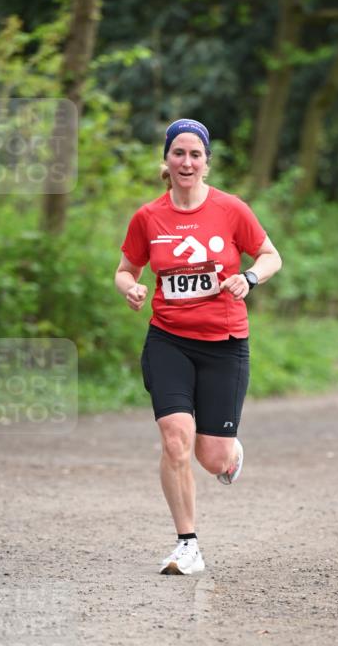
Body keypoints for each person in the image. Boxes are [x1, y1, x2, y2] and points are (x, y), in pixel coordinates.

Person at [115, 119, 282, 576]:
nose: (186, 162)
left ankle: (230, 452)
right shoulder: (148, 217)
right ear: (166, 160)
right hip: (168, 339)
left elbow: (271, 256)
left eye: (195, 155)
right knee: (175, 441)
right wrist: (131, 288)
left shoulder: (231, 209)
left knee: (213, 458)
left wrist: (249, 277)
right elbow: (125, 269)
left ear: (206, 163)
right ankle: (187, 545)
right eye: (179, 153)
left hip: (224, 343)